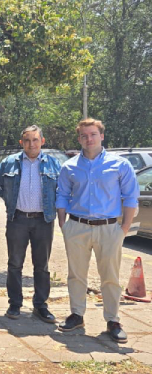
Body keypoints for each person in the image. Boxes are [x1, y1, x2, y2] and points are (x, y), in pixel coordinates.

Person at [56, 118, 139, 343]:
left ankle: (112, 319)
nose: (88, 139)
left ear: (101, 136)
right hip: (77, 227)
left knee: (110, 277)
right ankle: (77, 314)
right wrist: (64, 224)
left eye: (93, 134)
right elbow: (62, 195)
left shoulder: (120, 165)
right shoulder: (69, 166)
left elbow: (131, 197)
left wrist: (123, 229)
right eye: (84, 136)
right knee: (76, 274)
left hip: (109, 228)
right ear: (79, 139)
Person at [0, 126, 61, 323]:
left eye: (35, 140)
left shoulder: (53, 164)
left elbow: (62, 191)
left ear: (42, 141)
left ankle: (40, 305)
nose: (31, 144)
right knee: (15, 264)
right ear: (21, 142)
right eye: (27, 140)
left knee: (42, 265)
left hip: (43, 220)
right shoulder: (8, 163)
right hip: (18, 220)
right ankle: (14, 304)